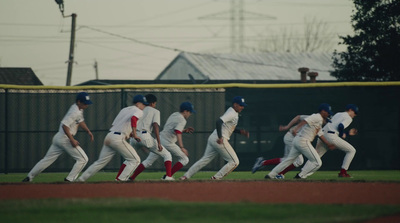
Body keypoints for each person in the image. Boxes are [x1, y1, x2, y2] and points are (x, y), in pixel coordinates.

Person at [22, 92, 94, 182]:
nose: (87, 105)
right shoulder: (74, 112)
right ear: (79, 102)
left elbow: (80, 121)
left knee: (46, 160)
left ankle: (29, 177)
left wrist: (88, 131)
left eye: (87, 103)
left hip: (58, 138)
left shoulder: (78, 109)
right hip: (65, 138)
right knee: (83, 159)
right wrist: (72, 140)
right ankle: (69, 180)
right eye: (85, 103)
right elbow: (65, 126)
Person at [77, 95, 147, 182]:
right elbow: (134, 119)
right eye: (143, 104)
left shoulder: (124, 110)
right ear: (138, 103)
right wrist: (135, 134)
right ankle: (121, 180)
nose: (144, 106)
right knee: (135, 160)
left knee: (99, 162)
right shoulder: (138, 111)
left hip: (110, 136)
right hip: (118, 138)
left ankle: (81, 179)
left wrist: (131, 134)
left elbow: (117, 125)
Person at [180, 96, 249, 180]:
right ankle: (216, 178)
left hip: (213, 137)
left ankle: (185, 176)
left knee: (204, 160)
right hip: (219, 139)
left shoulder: (232, 112)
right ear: (235, 105)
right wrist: (220, 137)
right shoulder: (232, 113)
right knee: (234, 162)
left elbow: (227, 127)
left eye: (243, 105)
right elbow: (219, 121)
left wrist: (240, 132)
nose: (242, 107)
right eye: (241, 105)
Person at [265, 103, 335, 179]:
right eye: (328, 113)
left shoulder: (319, 122)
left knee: (288, 160)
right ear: (323, 111)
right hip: (303, 141)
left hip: (297, 140)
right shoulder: (317, 117)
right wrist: (296, 128)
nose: (327, 116)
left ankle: (271, 175)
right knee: (317, 163)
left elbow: (320, 134)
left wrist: (328, 144)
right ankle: (300, 176)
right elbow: (304, 121)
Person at [129, 101, 195, 181]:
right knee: (184, 159)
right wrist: (182, 147)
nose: (190, 114)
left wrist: (183, 130)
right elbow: (177, 131)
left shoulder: (174, 114)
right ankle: (167, 176)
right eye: (190, 112)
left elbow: (173, 129)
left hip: (160, 139)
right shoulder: (183, 120)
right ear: (185, 111)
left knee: (148, 161)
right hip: (168, 142)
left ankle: (132, 177)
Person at [302, 104, 358, 178]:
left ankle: (301, 174)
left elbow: (333, 125)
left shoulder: (338, 114)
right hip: (331, 136)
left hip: (323, 134)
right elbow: (340, 126)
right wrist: (342, 135)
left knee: (315, 157)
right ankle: (343, 172)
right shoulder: (349, 118)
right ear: (350, 110)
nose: (355, 115)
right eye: (355, 113)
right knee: (351, 150)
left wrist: (346, 133)